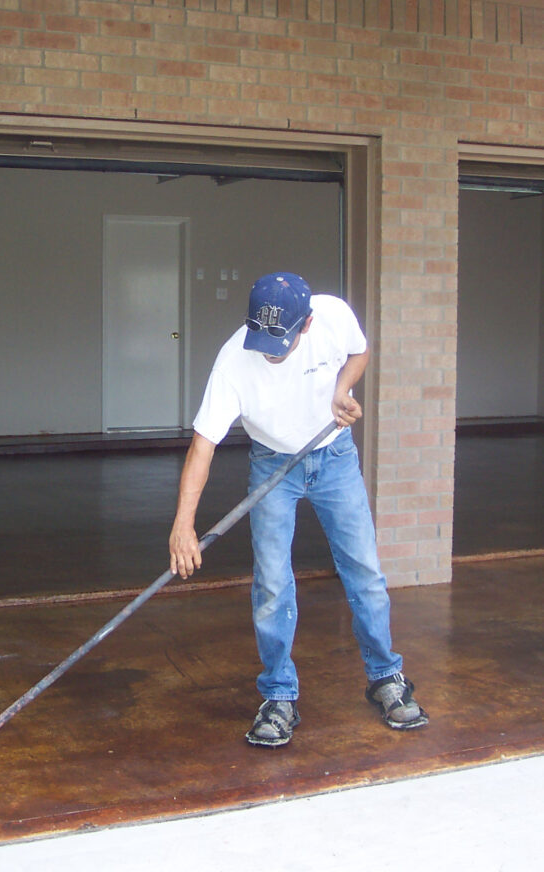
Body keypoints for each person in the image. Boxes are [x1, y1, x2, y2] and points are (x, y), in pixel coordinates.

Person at [168, 272, 428, 746]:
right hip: (272, 466)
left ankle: (386, 677)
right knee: (271, 581)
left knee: (364, 571)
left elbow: (360, 351)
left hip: (334, 455)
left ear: (305, 325)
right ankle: (279, 696)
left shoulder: (330, 316)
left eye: (281, 341)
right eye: (262, 338)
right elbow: (203, 445)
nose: (269, 350)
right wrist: (183, 526)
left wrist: (342, 390)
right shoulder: (234, 361)